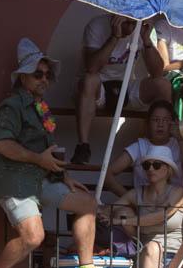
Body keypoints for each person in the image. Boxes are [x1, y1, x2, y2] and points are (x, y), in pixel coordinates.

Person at [0, 38, 119, 268]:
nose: (44, 79)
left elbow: (48, 151)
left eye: (47, 74)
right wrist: (39, 160)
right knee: (33, 237)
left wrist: (64, 175)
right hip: (14, 181)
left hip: (40, 179)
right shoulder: (11, 106)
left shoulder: (40, 107)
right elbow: (2, 145)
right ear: (23, 77)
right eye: (37, 74)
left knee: (88, 203)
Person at [73, 14, 170, 164]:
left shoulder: (141, 28)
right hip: (99, 87)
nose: (130, 28)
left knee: (163, 85)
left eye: (134, 23)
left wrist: (146, 41)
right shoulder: (97, 25)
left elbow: (157, 72)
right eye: (126, 23)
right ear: (116, 16)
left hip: (126, 86)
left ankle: (160, 147)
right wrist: (114, 37)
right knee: (89, 80)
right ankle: (83, 147)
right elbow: (92, 67)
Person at [103, 100, 183, 237]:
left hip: (175, 202)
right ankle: (137, 246)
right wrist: (134, 199)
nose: (160, 124)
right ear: (148, 123)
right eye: (156, 120)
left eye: (165, 120)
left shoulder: (179, 144)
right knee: (122, 212)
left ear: (173, 123)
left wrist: (182, 140)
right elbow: (107, 175)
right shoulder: (139, 146)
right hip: (145, 203)